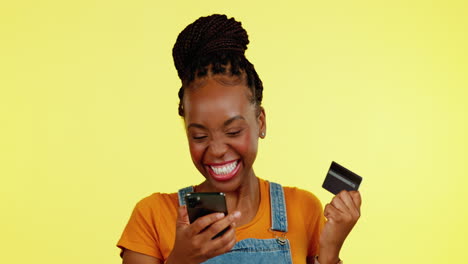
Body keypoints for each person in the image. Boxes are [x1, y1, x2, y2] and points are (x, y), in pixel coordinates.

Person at [117, 14, 361, 264]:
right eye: (199, 135)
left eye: (233, 131)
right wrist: (181, 259)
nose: (217, 150)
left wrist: (330, 249)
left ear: (261, 122)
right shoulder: (152, 216)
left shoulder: (303, 209)